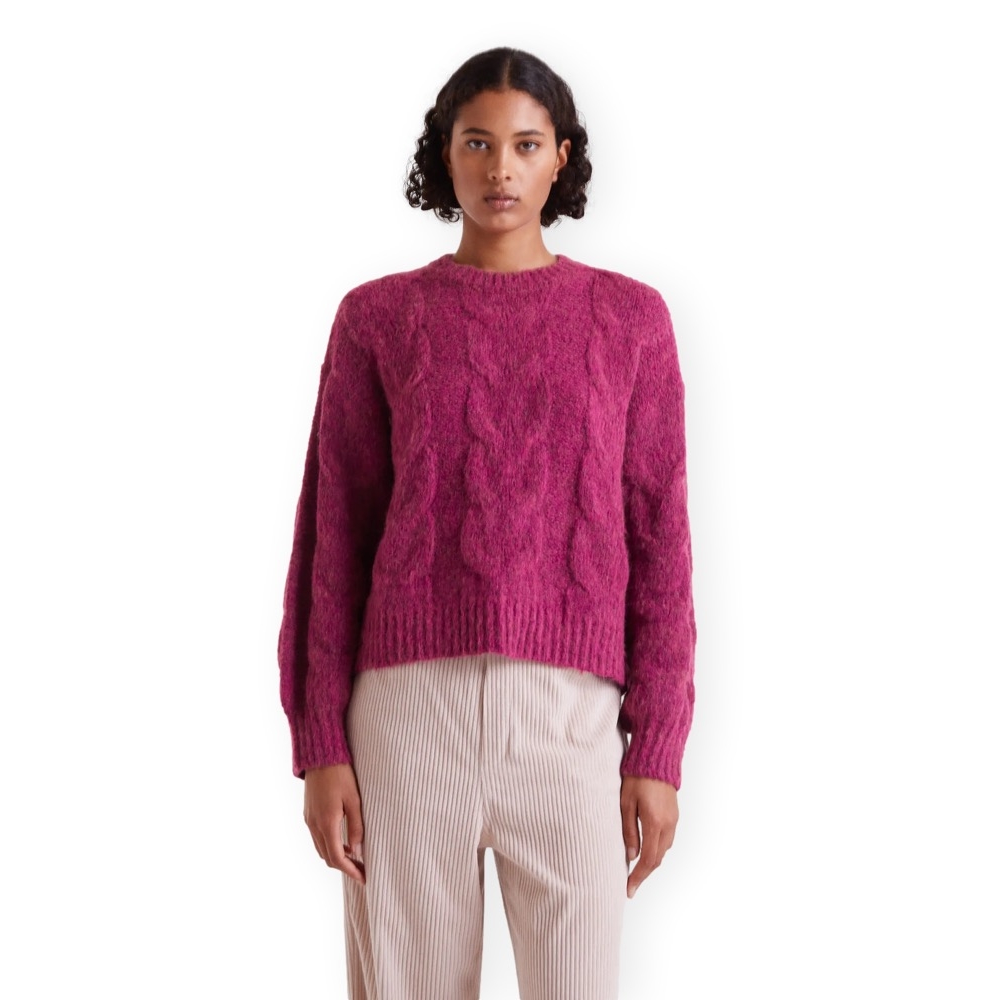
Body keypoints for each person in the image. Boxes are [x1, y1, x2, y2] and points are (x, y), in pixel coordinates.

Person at [276, 45, 697, 1000]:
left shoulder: (631, 320)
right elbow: (334, 535)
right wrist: (322, 745)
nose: (500, 168)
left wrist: (659, 749)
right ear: (445, 154)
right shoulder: (378, 318)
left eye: (525, 144)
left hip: (572, 720)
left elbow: (661, 542)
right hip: (406, 715)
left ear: (561, 157)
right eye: (477, 142)